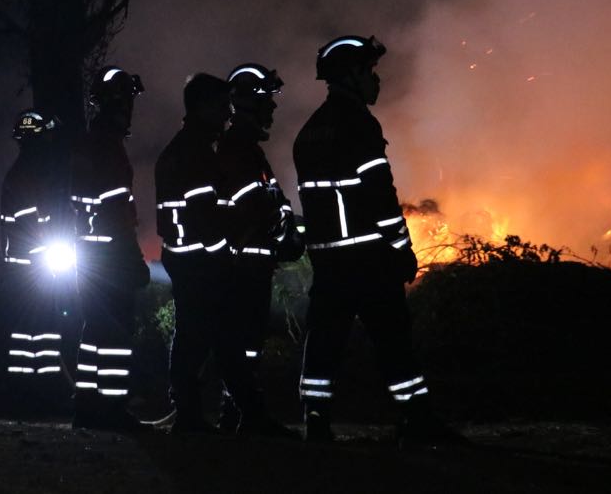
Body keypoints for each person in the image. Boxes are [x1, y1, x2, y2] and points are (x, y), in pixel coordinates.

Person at [293, 35, 460, 445]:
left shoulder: (309, 132)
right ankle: (416, 418)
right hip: (367, 258)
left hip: (328, 261)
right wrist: (403, 249)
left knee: (325, 341)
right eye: (369, 71)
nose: (376, 80)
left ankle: (315, 418)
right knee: (393, 338)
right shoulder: (359, 125)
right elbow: (381, 198)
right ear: (349, 75)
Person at [153, 73, 245, 435]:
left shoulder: (177, 150)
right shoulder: (196, 152)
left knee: (195, 334)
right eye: (223, 106)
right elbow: (206, 216)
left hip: (182, 256)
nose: (227, 114)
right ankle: (195, 415)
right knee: (204, 336)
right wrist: (226, 256)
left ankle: (196, 411)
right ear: (203, 107)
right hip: (201, 261)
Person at [215, 63, 303, 438]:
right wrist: (276, 228)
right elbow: (250, 207)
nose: (273, 108)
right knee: (241, 342)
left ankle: (237, 412)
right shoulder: (236, 150)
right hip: (242, 263)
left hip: (256, 261)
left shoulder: (251, 151)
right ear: (247, 102)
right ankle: (246, 413)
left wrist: (288, 228)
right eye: (266, 100)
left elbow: (275, 200)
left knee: (248, 343)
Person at [70, 66, 151, 431]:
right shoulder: (108, 147)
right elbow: (116, 209)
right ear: (118, 103)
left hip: (87, 254)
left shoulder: (91, 142)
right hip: (110, 254)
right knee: (116, 333)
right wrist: (131, 254)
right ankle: (113, 408)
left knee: (94, 331)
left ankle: (86, 405)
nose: (131, 109)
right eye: (128, 101)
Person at [0, 110, 72, 404]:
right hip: (30, 270)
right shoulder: (24, 176)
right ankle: (34, 391)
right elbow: (30, 223)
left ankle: (33, 389)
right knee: (36, 331)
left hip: (28, 270)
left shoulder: (28, 173)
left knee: (37, 332)